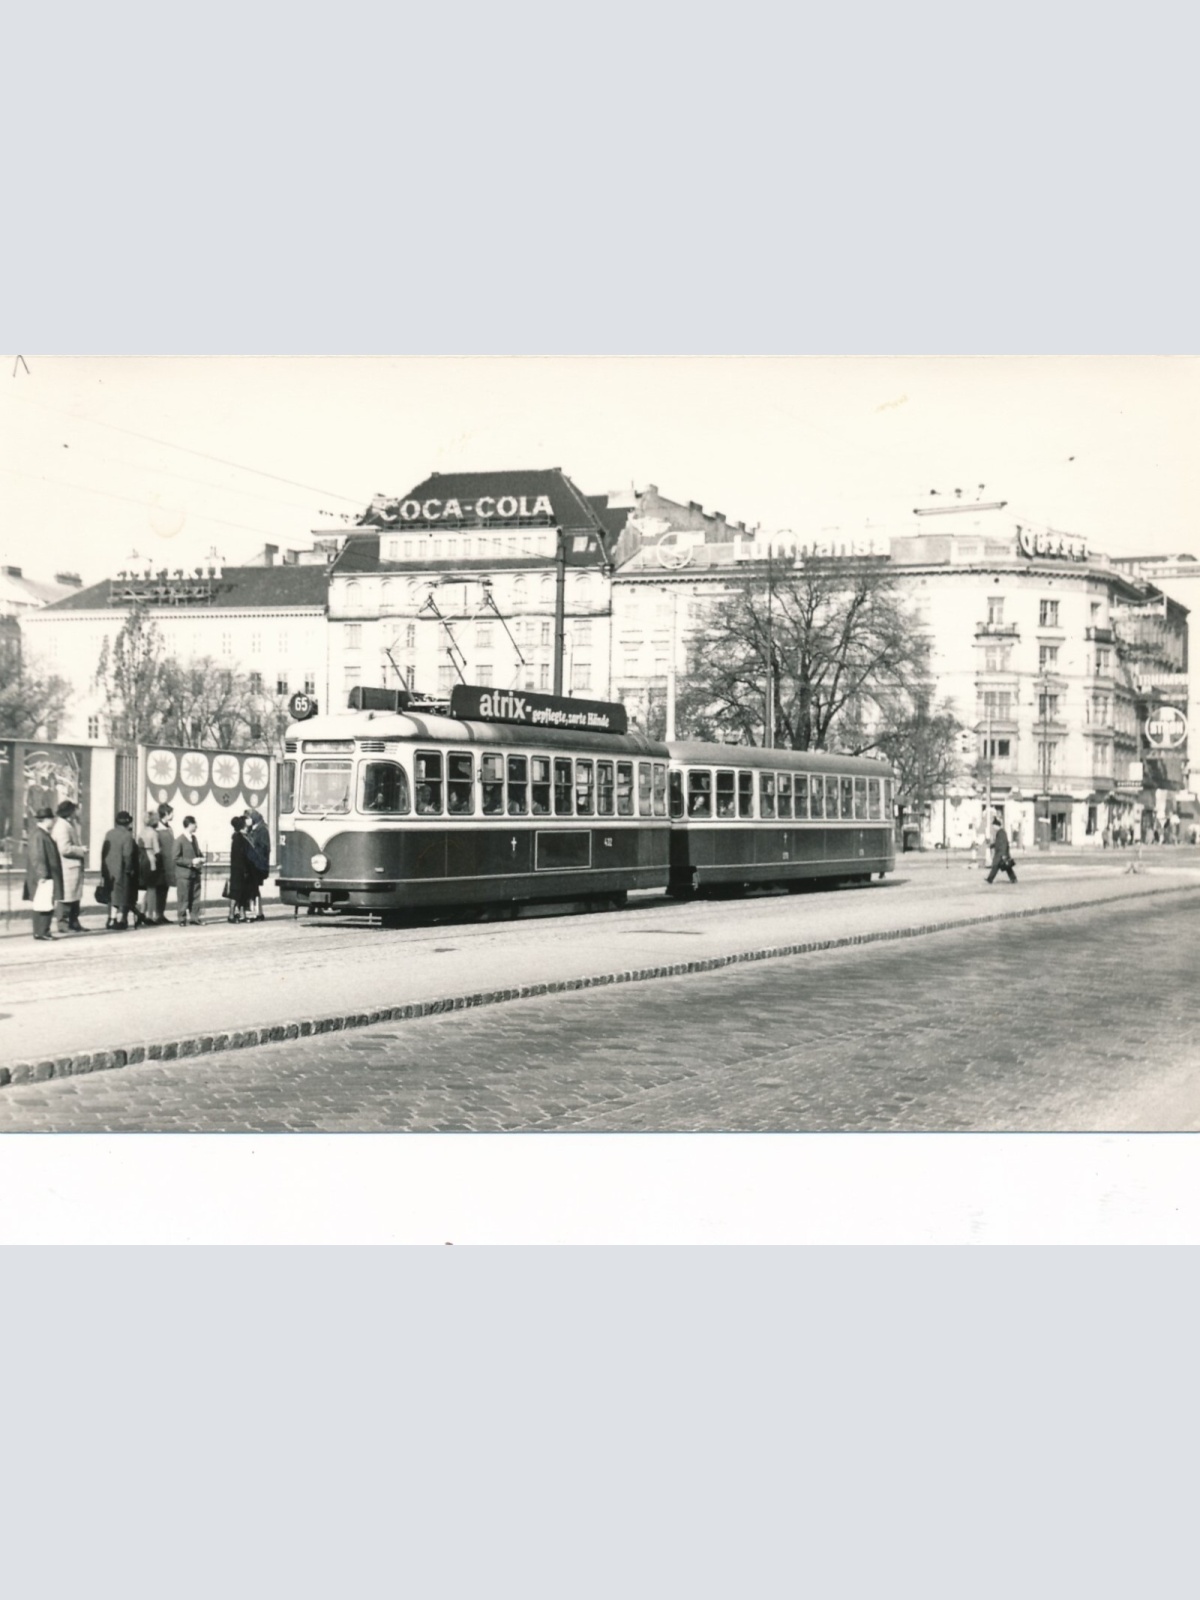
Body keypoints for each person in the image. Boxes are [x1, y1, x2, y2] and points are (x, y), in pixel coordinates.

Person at [24, 807, 64, 941]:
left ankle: (40, 931)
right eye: (51, 818)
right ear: (46, 820)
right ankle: (42, 932)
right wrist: (43, 875)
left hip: (46, 874)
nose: (53, 821)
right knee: (44, 903)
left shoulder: (41, 834)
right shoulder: (39, 835)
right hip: (45, 875)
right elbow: (37, 856)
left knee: (43, 903)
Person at [51, 799, 89, 933]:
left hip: (72, 867)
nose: (77, 812)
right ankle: (63, 924)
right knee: (66, 897)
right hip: (67, 868)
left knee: (74, 897)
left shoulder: (68, 824)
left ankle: (74, 922)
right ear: (70, 812)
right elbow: (64, 848)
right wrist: (80, 850)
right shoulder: (62, 826)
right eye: (75, 810)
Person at [100, 810, 139, 930]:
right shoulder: (127, 835)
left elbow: (104, 852)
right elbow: (127, 855)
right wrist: (129, 869)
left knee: (112, 895)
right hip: (121, 870)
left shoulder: (109, 833)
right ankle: (117, 920)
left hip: (109, 870)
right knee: (121, 896)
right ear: (128, 823)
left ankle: (110, 919)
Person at [173, 815, 207, 926]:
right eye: (195, 823)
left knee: (195, 896)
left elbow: (197, 852)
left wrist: (202, 858)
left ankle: (194, 917)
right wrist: (192, 861)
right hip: (184, 874)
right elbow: (176, 858)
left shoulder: (194, 838)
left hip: (195, 873)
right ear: (189, 825)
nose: (196, 826)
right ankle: (182, 919)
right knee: (183, 897)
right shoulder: (179, 840)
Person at [244, 807, 271, 921]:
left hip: (258, 865)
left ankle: (256, 912)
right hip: (252, 864)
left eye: (248, 818)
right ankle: (257, 911)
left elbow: (264, 848)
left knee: (253, 887)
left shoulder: (262, 830)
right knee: (253, 887)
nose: (246, 821)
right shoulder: (252, 829)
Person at [136, 809, 161, 928]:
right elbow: (157, 850)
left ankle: (142, 912)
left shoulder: (141, 832)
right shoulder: (154, 833)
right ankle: (150, 915)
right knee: (152, 889)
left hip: (141, 860)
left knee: (147, 888)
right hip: (151, 860)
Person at [227, 815, 254, 922]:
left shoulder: (241, 837)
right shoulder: (239, 838)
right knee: (236, 893)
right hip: (239, 870)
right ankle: (231, 915)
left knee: (243, 893)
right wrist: (245, 869)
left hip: (242, 870)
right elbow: (241, 856)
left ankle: (242, 914)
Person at [153, 802, 176, 923]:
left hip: (168, 864)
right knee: (157, 890)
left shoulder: (168, 827)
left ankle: (160, 914)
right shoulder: (157, 828)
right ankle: (154, 914)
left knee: (164, 889)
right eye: (171, 813)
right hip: (160, 863)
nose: (173, 815)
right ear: (166, 814)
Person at [985, 817, 1017, 885]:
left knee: (998, 866)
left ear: (997, 826)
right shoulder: (1000, 832)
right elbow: (998, 843)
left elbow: (1003, 844)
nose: (993, 827)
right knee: (1006, 867)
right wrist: (991, 846)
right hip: (1001, 853)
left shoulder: (1001, 833)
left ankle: (990, 879)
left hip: (1001, 853)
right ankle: (1013, 878)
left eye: (994, 826)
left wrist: (1003, 854)